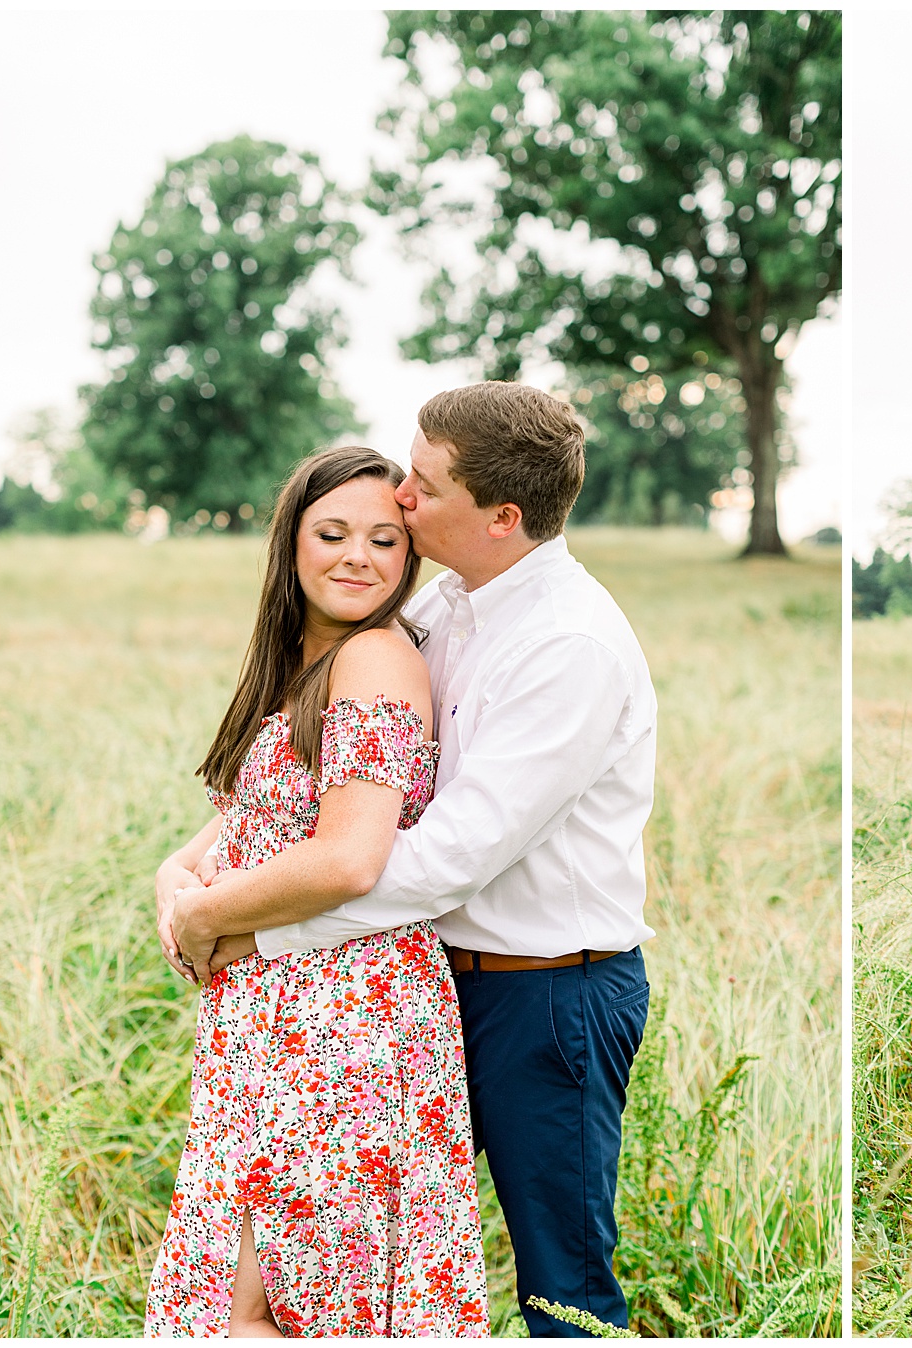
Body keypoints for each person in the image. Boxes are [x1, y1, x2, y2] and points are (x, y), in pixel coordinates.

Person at [175, 382, 657, 1337]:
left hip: (547, 994)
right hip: (420, 981)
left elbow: (442, 858)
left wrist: (249, 927)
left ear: (502, 517)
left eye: (424, 487)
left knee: (561, 1279)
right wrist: (194, 867)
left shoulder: (569, 644)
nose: (401, 499)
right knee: (362, 1248)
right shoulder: (451, 602)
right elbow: (314, 777)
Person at [145, 446, 488, 1337]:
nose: (357, 558)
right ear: (290, 543)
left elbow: (347, 859)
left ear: (409, 557)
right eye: (332, 533)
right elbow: (261, 818)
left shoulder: (374, 659)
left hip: (342, 1022)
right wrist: (173, 876)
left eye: (384, 540)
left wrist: (204, 916)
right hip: (270, 1020)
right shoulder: (304, 663)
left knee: (279, 1303)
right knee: (246, 1293)